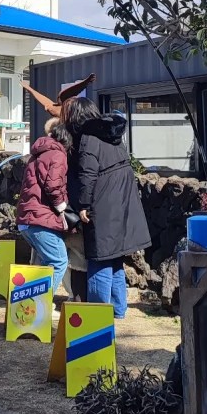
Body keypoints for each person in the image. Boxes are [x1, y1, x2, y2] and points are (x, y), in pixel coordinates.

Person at [64, 98, 150, 320]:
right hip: (124, 201)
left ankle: (98, 314)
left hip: (102, 204)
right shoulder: (111, 134)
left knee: (99, 258)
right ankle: (118, 309)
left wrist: (83, 205)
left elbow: (87, 174)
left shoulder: (89, 138)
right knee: (115, 258)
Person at [15, 118, 73, 298]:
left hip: (27, 218)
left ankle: (30, 304)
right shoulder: (58, 154)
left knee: (42, 264)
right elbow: (53, 186)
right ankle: (41, 305)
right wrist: (62, 207)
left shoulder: (38, 153)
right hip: (41, 219)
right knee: (59, 261)